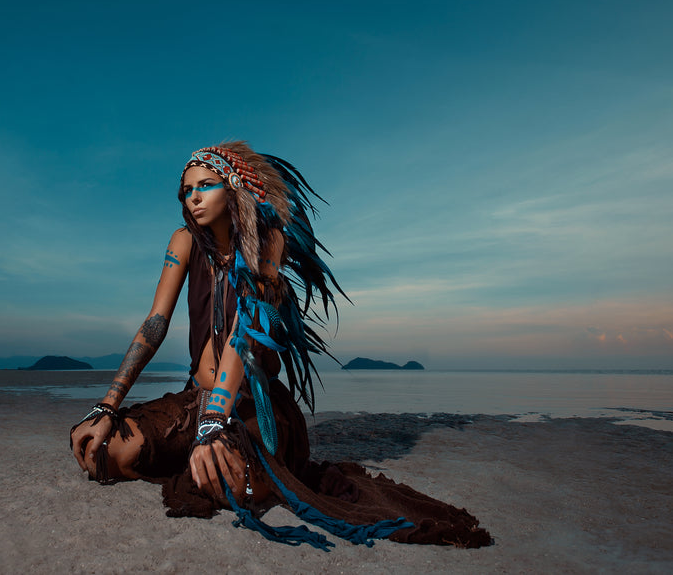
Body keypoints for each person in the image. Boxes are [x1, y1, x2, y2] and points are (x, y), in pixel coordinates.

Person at [70, 142, 490, 549]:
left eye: (205, 186)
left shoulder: (267, 241)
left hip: (256, 404)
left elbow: (247, 327)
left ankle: (226, 456)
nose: (193, 198)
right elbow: (155, 323)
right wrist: (108, 405)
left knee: (227, 484)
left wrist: (215, 421)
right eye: (187, 191)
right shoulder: (183, 241)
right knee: (103, 453)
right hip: (194, 398)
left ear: (232, 185)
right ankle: (193, 448)